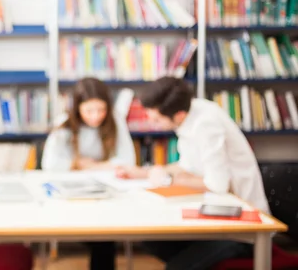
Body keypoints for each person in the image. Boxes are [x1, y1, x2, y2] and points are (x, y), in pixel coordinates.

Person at [116, 76, 270, 270]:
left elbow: (218, 185)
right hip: (213, 213)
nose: (151, 123)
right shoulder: (191, 111)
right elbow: (186, 166)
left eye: (156, 119)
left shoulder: (206, 126)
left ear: (178, 115)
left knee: (175, 266)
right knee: (151, 240)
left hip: (240, 227)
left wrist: (168, 179)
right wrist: (143, 172)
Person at [41, 77, 136, 270]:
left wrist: (86, 165)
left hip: (107, 196)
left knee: (105, 235)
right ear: (77, 108)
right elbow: (50, 165)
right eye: (89, 110)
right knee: (103, 239)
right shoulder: (64, 124)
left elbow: (128, 162)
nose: (96, 116)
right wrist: (102, 164)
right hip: (70, 199)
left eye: (101, 109)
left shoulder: (115, 120)